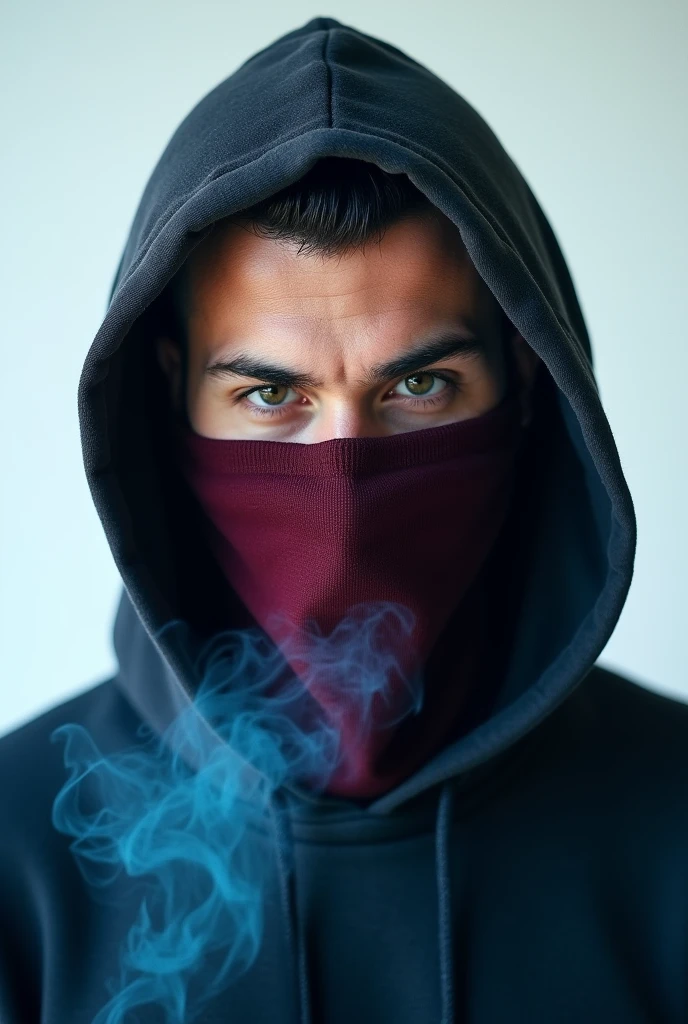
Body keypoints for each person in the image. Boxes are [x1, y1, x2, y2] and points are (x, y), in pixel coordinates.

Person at [1, 15, 686, 1024]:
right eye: (271, 397)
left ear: (530, 379)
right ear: (168, 394)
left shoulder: (674, 817)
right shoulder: (16, 856)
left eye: (419, 383)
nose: (345, 485)